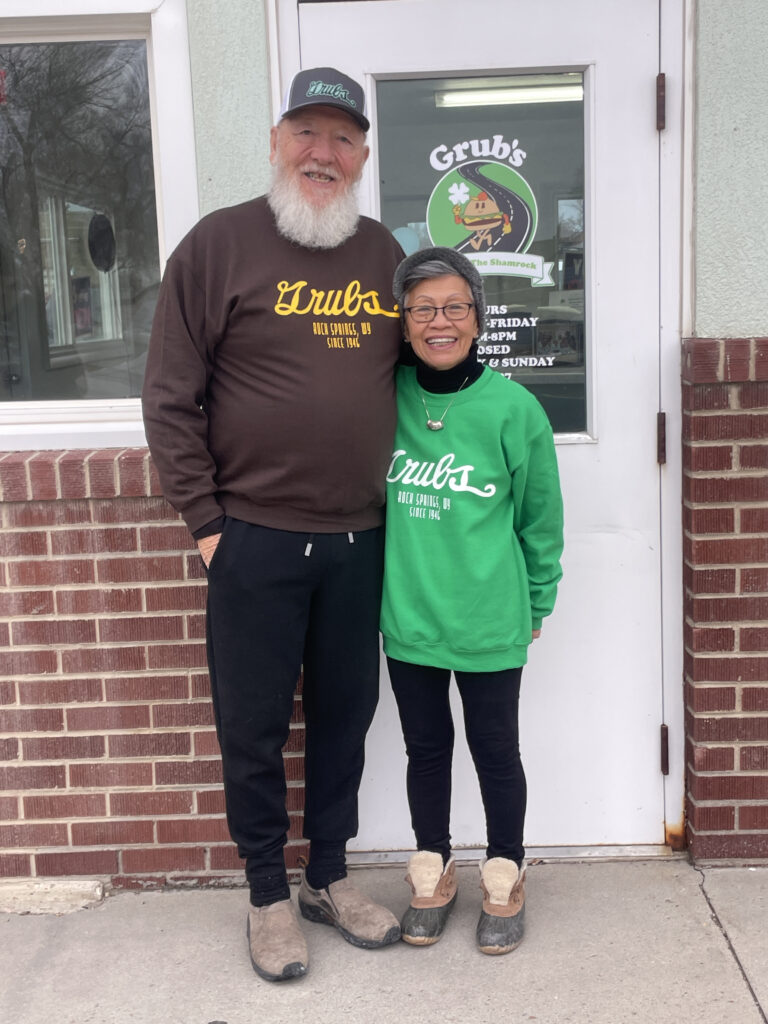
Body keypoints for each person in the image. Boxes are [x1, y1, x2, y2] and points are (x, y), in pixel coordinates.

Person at [142, 67, 404, 982]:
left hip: (360, 540)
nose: (322, 154)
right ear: (276, 142)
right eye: (306, 134)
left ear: (362, 155)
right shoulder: (218, 246)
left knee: (345, 717)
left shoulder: (383, 254)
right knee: (252, 726)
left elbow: (421, 374)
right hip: (251, 536)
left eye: (342, 139)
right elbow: (169, 397)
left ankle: (327, 876)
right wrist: (207, 523)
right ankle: (265, 894)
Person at [381, 247, 564, 955]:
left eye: (455, 307)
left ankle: (504, 872)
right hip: (410, 615)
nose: (440, 322)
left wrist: (537, 603)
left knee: (494, 749)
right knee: (425, 749)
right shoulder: (384, 397)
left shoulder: (514, 409)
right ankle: (432, 869)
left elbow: (541, 521)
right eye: (423, 309)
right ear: (404, 323)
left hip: (490, 615)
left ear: (478, 319)